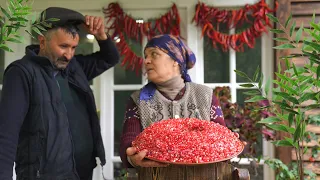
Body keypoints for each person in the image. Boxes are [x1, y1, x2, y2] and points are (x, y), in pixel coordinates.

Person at [0, 7, 119, 180]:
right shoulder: (22, 73)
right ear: (42, 42)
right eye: (63, 46)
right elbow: (6, 135)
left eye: (73, 47)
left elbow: (110, 58)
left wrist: (101, 36)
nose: (69, 55)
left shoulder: (74, 67)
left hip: (83, 172)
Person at [119, 34, 226, 170]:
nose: (146, 61)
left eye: (154, 54)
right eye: (146, 56)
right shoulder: (138, 99)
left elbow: (222, 138)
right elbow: (129, 141)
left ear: (175, 60)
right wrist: (132, 158)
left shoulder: (205, 96)